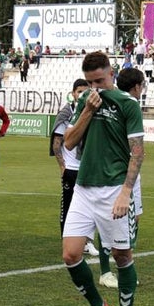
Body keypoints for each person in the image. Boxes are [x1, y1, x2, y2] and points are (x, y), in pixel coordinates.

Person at [61, 55, 146, 306]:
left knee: (122, 256)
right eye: (91, 82)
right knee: (71, 254)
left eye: (101, 81)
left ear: (111, 73)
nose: (97, 87)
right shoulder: (86, 100)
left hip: (114, 189)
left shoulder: (127, 104)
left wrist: (126, 192)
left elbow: (137, 152)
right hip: (85, 188)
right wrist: (86, 110)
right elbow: (68, 142)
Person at [52, 79, 101, 260]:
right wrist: (62, 166)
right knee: (69, 207)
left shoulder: (93, 110)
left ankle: (88, 241)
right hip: (71, 169)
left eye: (85, 91)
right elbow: (57, 142)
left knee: (93, 207)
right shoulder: (66, 112)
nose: (82, 94)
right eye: (79, 91)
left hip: (88, 168)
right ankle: (67, 240)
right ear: (73, 93)